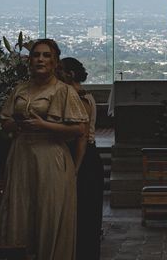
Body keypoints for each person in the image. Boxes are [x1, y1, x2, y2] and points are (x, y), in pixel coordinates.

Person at [0, 39, 88, 260]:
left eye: (46, 55)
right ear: (30, 60)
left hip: (50, 156)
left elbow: (79, 128)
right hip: (21, 155)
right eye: (37, 55)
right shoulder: (20, 89)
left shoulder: (64, 91)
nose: (40, 59)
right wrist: (19, 124)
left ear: (55, 61)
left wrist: (44, 125)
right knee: (19, 210)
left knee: (49, 211)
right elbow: (5, 121)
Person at [61, 57, 104, 260]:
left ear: (69, 74)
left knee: (84, 211)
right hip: (85, 155)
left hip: (85, 158)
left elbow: (83, 135)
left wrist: (75, 168)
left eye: (59, 70)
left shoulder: (80, 98)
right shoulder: (78, 95)